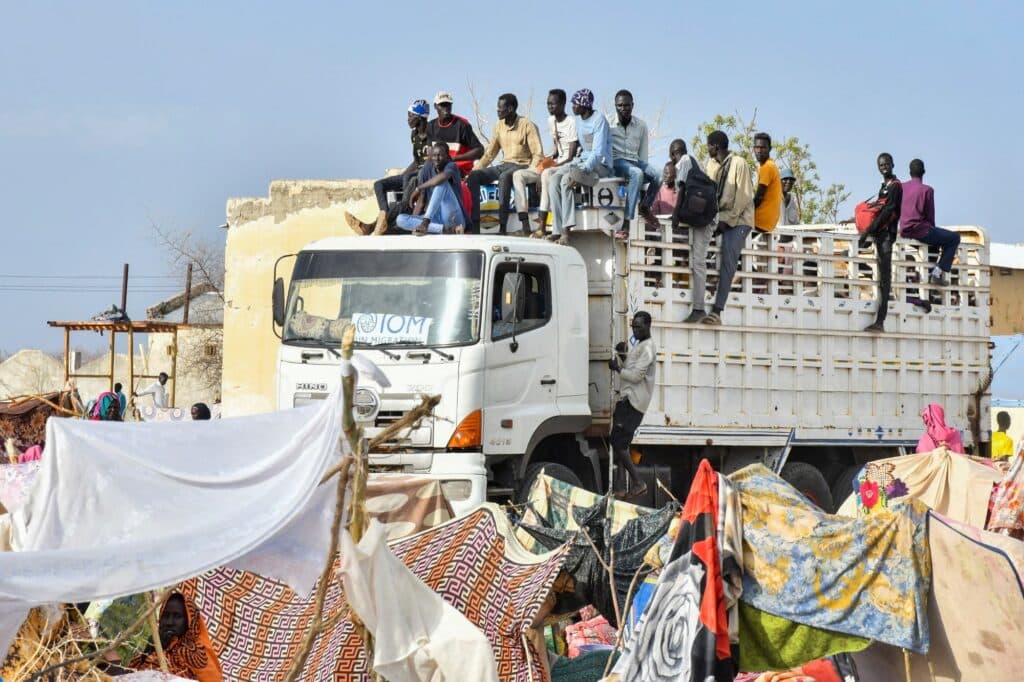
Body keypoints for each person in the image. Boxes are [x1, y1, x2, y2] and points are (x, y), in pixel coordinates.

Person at [345, 99, 432, 236]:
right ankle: (383, 217)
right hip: (413, 174)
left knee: (404, 194)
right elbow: (416, 160)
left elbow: (433, 162)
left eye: (410, 115)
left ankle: (370, 227)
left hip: (424, 176)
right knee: (379, 185)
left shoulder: (432, 134)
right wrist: (402, 176)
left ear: (419, 117)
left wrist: (408, 177)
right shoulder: (414, 135)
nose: (408, 119)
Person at [466, 93, 543, 234]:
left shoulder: (526, 125)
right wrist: (474, 170)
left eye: (501, 108)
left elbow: (538, 154)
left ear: (511, 109)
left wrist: (533, 172)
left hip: (521, 165)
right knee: (474, 177)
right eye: (498, 107)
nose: (498, 110)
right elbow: (490, 154)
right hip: (504, 164)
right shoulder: (498, 126)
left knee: (505, 177)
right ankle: (475, 225)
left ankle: (502, 227)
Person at [700, 130, 754, 326]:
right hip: (720, 218)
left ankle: (717, 311)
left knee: (728, 259)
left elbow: (744, 197)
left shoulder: (739, 163)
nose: (707, 150)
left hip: (739, 220)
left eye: (708, 146)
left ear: (715, 146)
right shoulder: (713, 165)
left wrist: (727, 221)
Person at [546, 89, 613, 245]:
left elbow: (597, 153)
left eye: (576, 104)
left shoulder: (599, 120)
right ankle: (556, 230)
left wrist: (581, 173)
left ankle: (566, 232)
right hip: (582, 160)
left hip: (600, 165)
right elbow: (582, 150)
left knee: (566, 181)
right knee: (554, 178)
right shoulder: (579, 121)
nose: (573, 107)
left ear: (585, 105)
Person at [512, 89, 579, 237]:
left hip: (567, 164)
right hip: (556, 163)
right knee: (518, 175)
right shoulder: (551, 121)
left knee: (547, 174)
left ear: (562, 104)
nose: (549, 107)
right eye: (548, 104)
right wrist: (545, 162)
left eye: (553, 104)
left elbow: (570, 156)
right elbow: (556, 150)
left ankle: (542, 225)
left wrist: (551, 166)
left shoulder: (571, 123)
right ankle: (525, 225)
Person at [608, 311, 657, 499]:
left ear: (648, 326)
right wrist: (623, 356)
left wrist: (617, 367)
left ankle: (638, 482)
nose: (635, 330)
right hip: (629, 400)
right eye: (633, 326)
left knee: (617, 442)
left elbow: (636, 376)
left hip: (633, 402)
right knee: (622, 444)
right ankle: (620, 488)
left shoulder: (647, 349)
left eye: (638, 326)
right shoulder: (642, 346)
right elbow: (632, 368)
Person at [128, 591, 223, 681]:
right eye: (166, 615)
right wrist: (149, 651)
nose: (169, 622)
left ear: (189, 620)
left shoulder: (198, 653)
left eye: (177, 616)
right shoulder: (155, 644)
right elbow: (130, 676)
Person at [899, 159, 961, 286]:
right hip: (920, 231)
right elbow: (930, 216)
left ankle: (928, 275)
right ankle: (936, 273)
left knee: (934, 245)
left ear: (910, 172)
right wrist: (932, 230)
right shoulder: (927, 190)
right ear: (924, 172)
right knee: (954, 238)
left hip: (904, 230)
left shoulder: (902, 187)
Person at [860, 153, 902, 333]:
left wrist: (868, 230)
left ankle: (881, 321)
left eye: (886, 164)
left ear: (893, 164)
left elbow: (887, 212)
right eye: (880, 165)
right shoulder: (884, 186)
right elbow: (877, 209)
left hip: (886, 236)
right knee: (874, 273)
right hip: (879, 234)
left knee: (885, 277)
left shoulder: (895, 187)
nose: (883, 167)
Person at [609, 90, 661, 235]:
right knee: (636, 173)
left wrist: (642, 187)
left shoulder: (641, 125)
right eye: (620, 105)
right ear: (615, 106)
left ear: (632, 105)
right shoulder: (608, 123)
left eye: (627, 105)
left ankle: (644, 207)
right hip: (617, 162)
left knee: (660, 174)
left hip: (635, 161)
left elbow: (643, 157)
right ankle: (626, 222)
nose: (623, 108)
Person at [395, 142, 469, 234]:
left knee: (442, 184)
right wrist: (415, 223)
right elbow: (421, 201)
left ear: (447, 156)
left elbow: (440, 179)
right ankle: (446, 230)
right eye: (434, 155)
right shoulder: (427, 168)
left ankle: (427, 224)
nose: (436, 159)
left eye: (440, 156)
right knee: (400, 219)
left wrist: (418, 188)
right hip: (436, 221)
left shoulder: (451, 166)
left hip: (454, 219)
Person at [425, 91, 484, 179]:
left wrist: (454, 158)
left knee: (443, 174)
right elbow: (430, 152)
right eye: (442, 105)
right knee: (421, 173)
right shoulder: (430, 126)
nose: (446, 108)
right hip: (438, 168)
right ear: (435, 106)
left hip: (458, 169)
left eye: (448, 105)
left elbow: (480, 151)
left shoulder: (462, 125)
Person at [649, 139, 689, 215]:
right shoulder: (660, 191)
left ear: (675, 174)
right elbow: (654, 211)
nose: (665, 176)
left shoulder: (686, 185)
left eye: (667, 173)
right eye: (664, 173)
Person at [752, 132, 783, 233]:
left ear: (770, 149)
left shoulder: (767, 167)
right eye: (757, 147)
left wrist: (744, 211)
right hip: (768, 223)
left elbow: (759, 197)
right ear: (753, 149)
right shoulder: (770, 165)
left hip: (760, 221)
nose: (759, 151)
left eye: (763, 148)